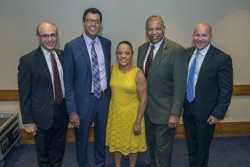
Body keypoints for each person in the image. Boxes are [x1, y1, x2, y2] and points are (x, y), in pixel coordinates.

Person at [63, 8, 111, 167]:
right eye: (90, 21)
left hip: (103, 100)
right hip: (82, 102)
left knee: (101, 137)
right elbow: (68, 82)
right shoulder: (71, 46)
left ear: (100, 24)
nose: (93, 24)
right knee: (81, 139)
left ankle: (100, 163)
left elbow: (107, 72)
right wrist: (72, 110)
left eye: (96, 21)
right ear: (84, 22)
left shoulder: (106, 43)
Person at [137, 15, 187, 167]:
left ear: (164, 29)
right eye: (150, 29)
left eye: (157, 28)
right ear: (146, 31)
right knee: (151, 149)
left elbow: (180, 85)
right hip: (147, 111)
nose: (154, 32)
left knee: (163, 152)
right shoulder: (142, 49)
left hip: (165, 113)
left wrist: (175, 113)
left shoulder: (176, 51)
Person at [18, 21, 68, 167]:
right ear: (38, 37)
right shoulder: (28, 61)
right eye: (45, 36)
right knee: (44, 156)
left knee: (58, 151)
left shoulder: (64, 56)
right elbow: (24, 93)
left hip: (62, 112)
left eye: (53, 35)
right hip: (41, 117)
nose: (50, 39)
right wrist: (28, 121)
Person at [183, 22, 233, 167]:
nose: (200, 38)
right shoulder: (186, 54)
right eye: (197, 35)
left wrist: (217, 113)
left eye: (204, 35)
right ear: (193, 35)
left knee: (202, 150)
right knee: (191, 147)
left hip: (207, 114)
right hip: (188, 110)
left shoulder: (222, 58)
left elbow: (226, 90)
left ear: (210, 36)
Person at [106, 41, 147, 167]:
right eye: (120, 53)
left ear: (132, 55)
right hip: (116, 115)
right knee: (116, 145)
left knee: (132, 147)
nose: (123, 56)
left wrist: (138, 121)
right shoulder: (112, 70)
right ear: (116, 54)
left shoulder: (138, 73)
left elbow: (144, 99)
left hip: (132, 117)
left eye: (127, 53)